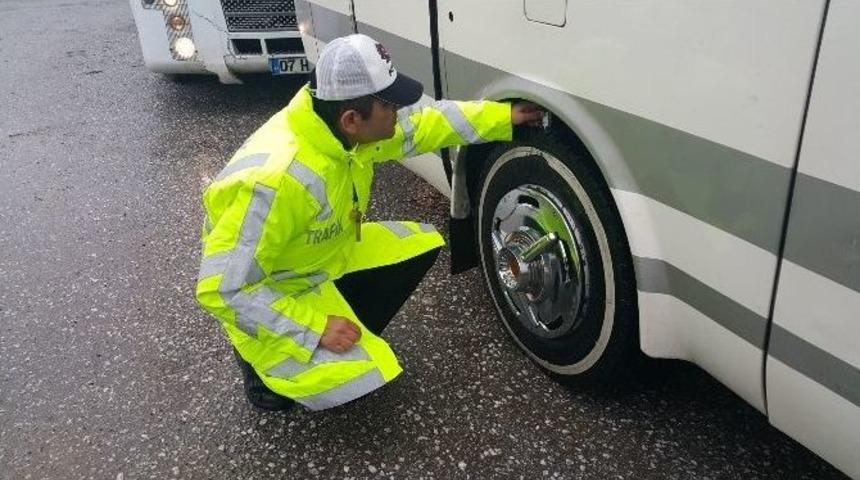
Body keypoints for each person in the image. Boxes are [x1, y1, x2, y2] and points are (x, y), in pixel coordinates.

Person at [195, 34, 544, 411]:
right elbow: (224, 289)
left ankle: (344, 321)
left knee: (419, 244)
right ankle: (260, 368)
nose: (399, 112)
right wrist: (314, 329)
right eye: (390, 106)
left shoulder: (344, 133)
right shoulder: (274, 182)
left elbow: (425, 125)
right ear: (351, 119)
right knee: (351, 375)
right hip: (276, 286)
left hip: (319, 258)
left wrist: (503, 117)